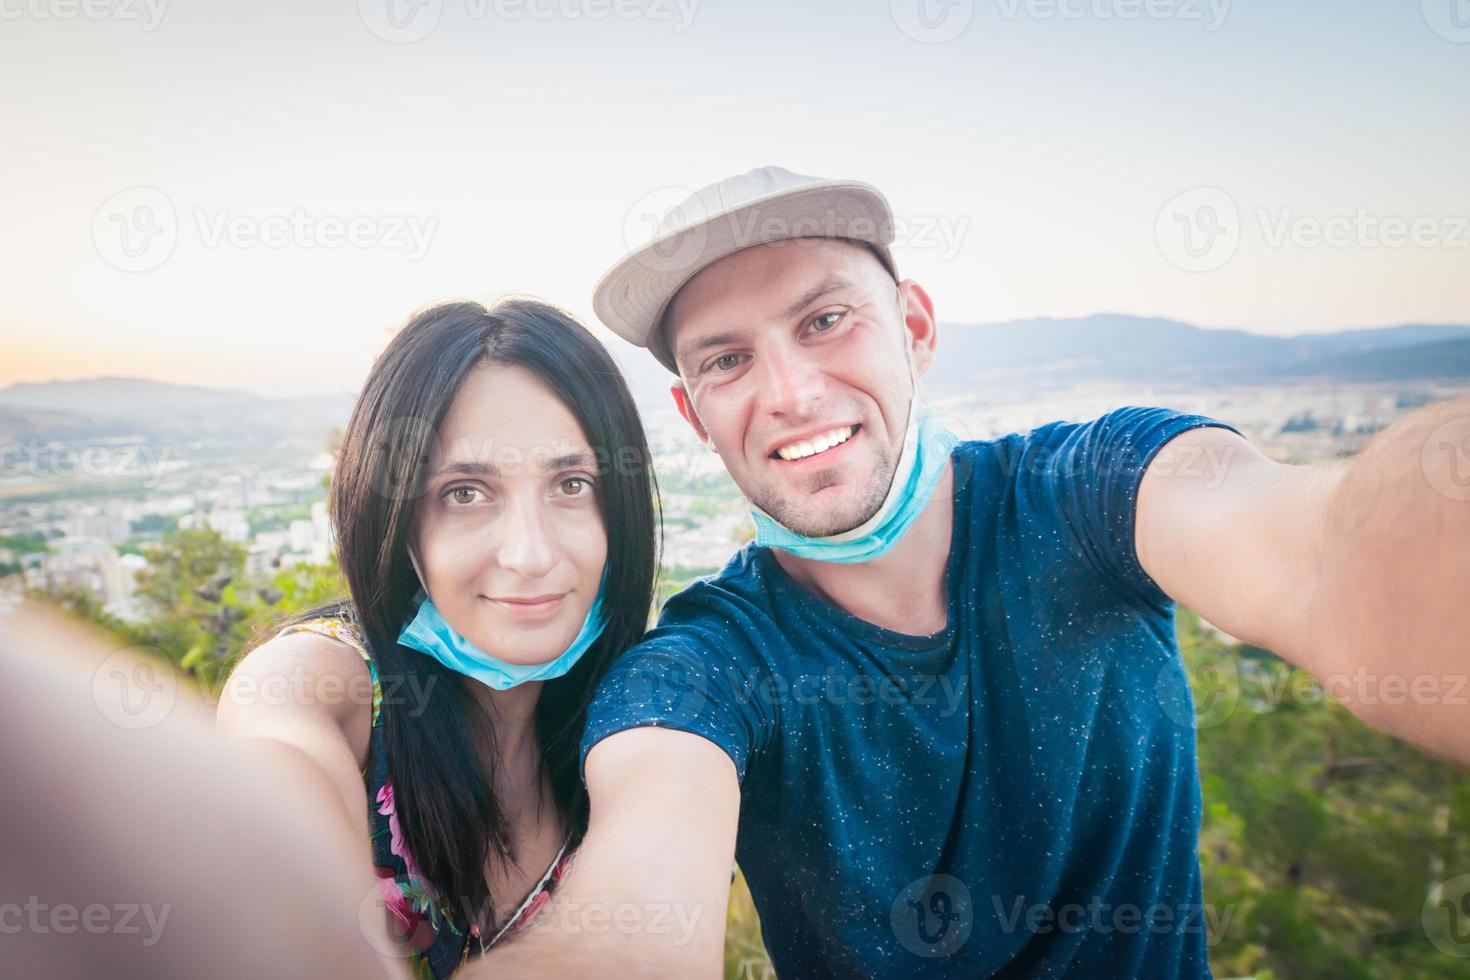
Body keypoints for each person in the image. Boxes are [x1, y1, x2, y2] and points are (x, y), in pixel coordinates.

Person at [467, 167, 1470, 978]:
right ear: (694, 414)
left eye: (824, 321)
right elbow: (631, 913)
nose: (791, 390)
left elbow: (1328, 550)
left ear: (915, 328)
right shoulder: (704, 664)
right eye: (726, 359)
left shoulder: (1094, 494)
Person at [217, 299, 658, 976]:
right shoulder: (322, 685)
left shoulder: (637, 723)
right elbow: (275, 742)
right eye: (465, 493)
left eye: (571, 484)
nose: (531, 554)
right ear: (397, 523)